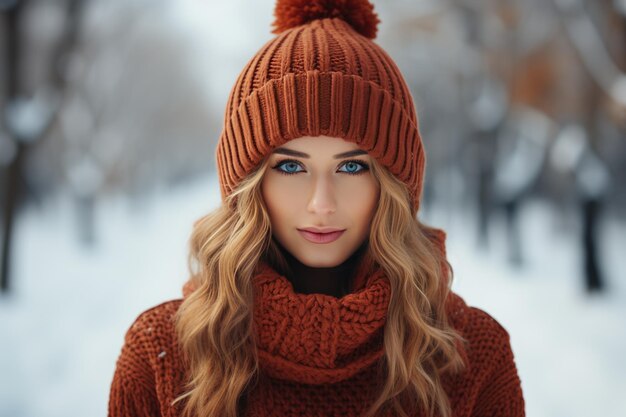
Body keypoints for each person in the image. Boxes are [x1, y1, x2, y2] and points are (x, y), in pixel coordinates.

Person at [108, 1, 525, 416]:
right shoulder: (160, 355)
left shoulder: (472, 358)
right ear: (247, 186)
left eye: (351, 167)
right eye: (290, 166)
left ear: (394, 184)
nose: (321, 204)